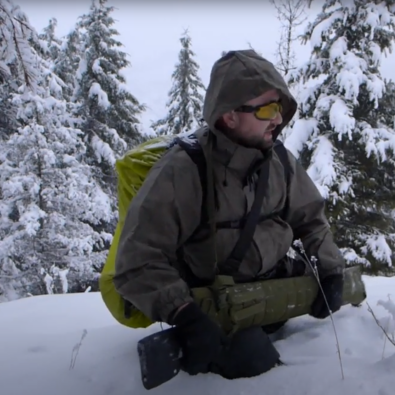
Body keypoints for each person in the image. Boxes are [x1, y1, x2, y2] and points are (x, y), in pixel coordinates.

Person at [112, 49, 346, 379]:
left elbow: (310, 218)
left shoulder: (279, 160)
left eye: (278, 107)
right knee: (255, 364)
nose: (277, 119)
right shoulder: (183, 171)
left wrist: (329, 268)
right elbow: (137, 260)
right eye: (266, 109)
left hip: (274, 292)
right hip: (214, 306)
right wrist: (186, 315)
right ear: (229, 115)